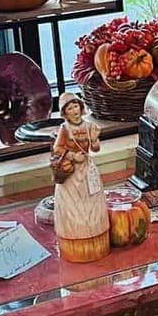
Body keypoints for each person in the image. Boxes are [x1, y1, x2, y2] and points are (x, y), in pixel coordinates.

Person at [51, 93, 109, 262]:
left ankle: (95, 231)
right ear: (64, 112)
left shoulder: (89, 125)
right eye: (70, 108)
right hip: (72, 172)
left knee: (92, 200)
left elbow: (96, 148)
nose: (74, 111)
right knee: (73, 204)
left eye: (76, 106)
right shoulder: (64, 129)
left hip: (87, 168)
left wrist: (95, 140)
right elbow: (57, 149)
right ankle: (76, 235)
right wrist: (72, 156)